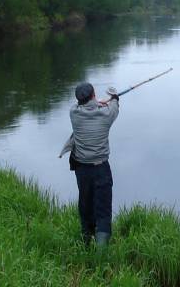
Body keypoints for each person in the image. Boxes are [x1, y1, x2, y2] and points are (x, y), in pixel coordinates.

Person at [59, 82, 120, 248]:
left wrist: (94, 103)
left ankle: (85, 243)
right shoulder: (106, 115)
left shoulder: (74, 114)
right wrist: (112, 98)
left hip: (81, 170)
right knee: (103, 210)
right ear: (93, 96)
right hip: (101, 169)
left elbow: (81, 106)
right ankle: (100, 256)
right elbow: (114, 105)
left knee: (85, 204)